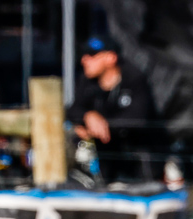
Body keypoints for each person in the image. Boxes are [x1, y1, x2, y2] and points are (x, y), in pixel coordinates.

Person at [66, 33, 157, 182]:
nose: (84, 60)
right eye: (84, 55)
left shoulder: (134, 78)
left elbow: (138, 118)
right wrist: (88, 116)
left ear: (111, 58)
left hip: (138, 165)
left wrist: (101, 126)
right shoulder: (87, 81)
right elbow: (72, 109)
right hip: (105, 163)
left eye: (92, 55)